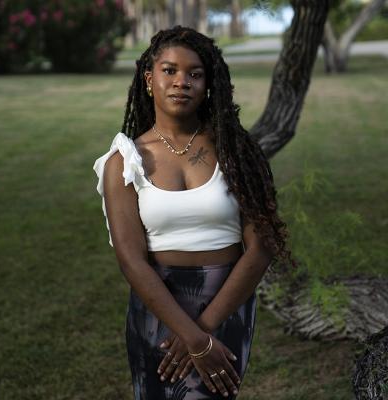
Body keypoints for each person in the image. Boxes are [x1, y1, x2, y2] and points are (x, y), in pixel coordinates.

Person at [93, 26, 294, 400]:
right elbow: (131, 260)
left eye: (194, 73)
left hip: (227, 300)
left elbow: (262, 245)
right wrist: (189, 337)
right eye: (169, 71)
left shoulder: (236, 152)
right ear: (149, 79)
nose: (181, 81)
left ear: (208, 84)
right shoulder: (125, 161)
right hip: (159, 307)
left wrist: (203, 333)